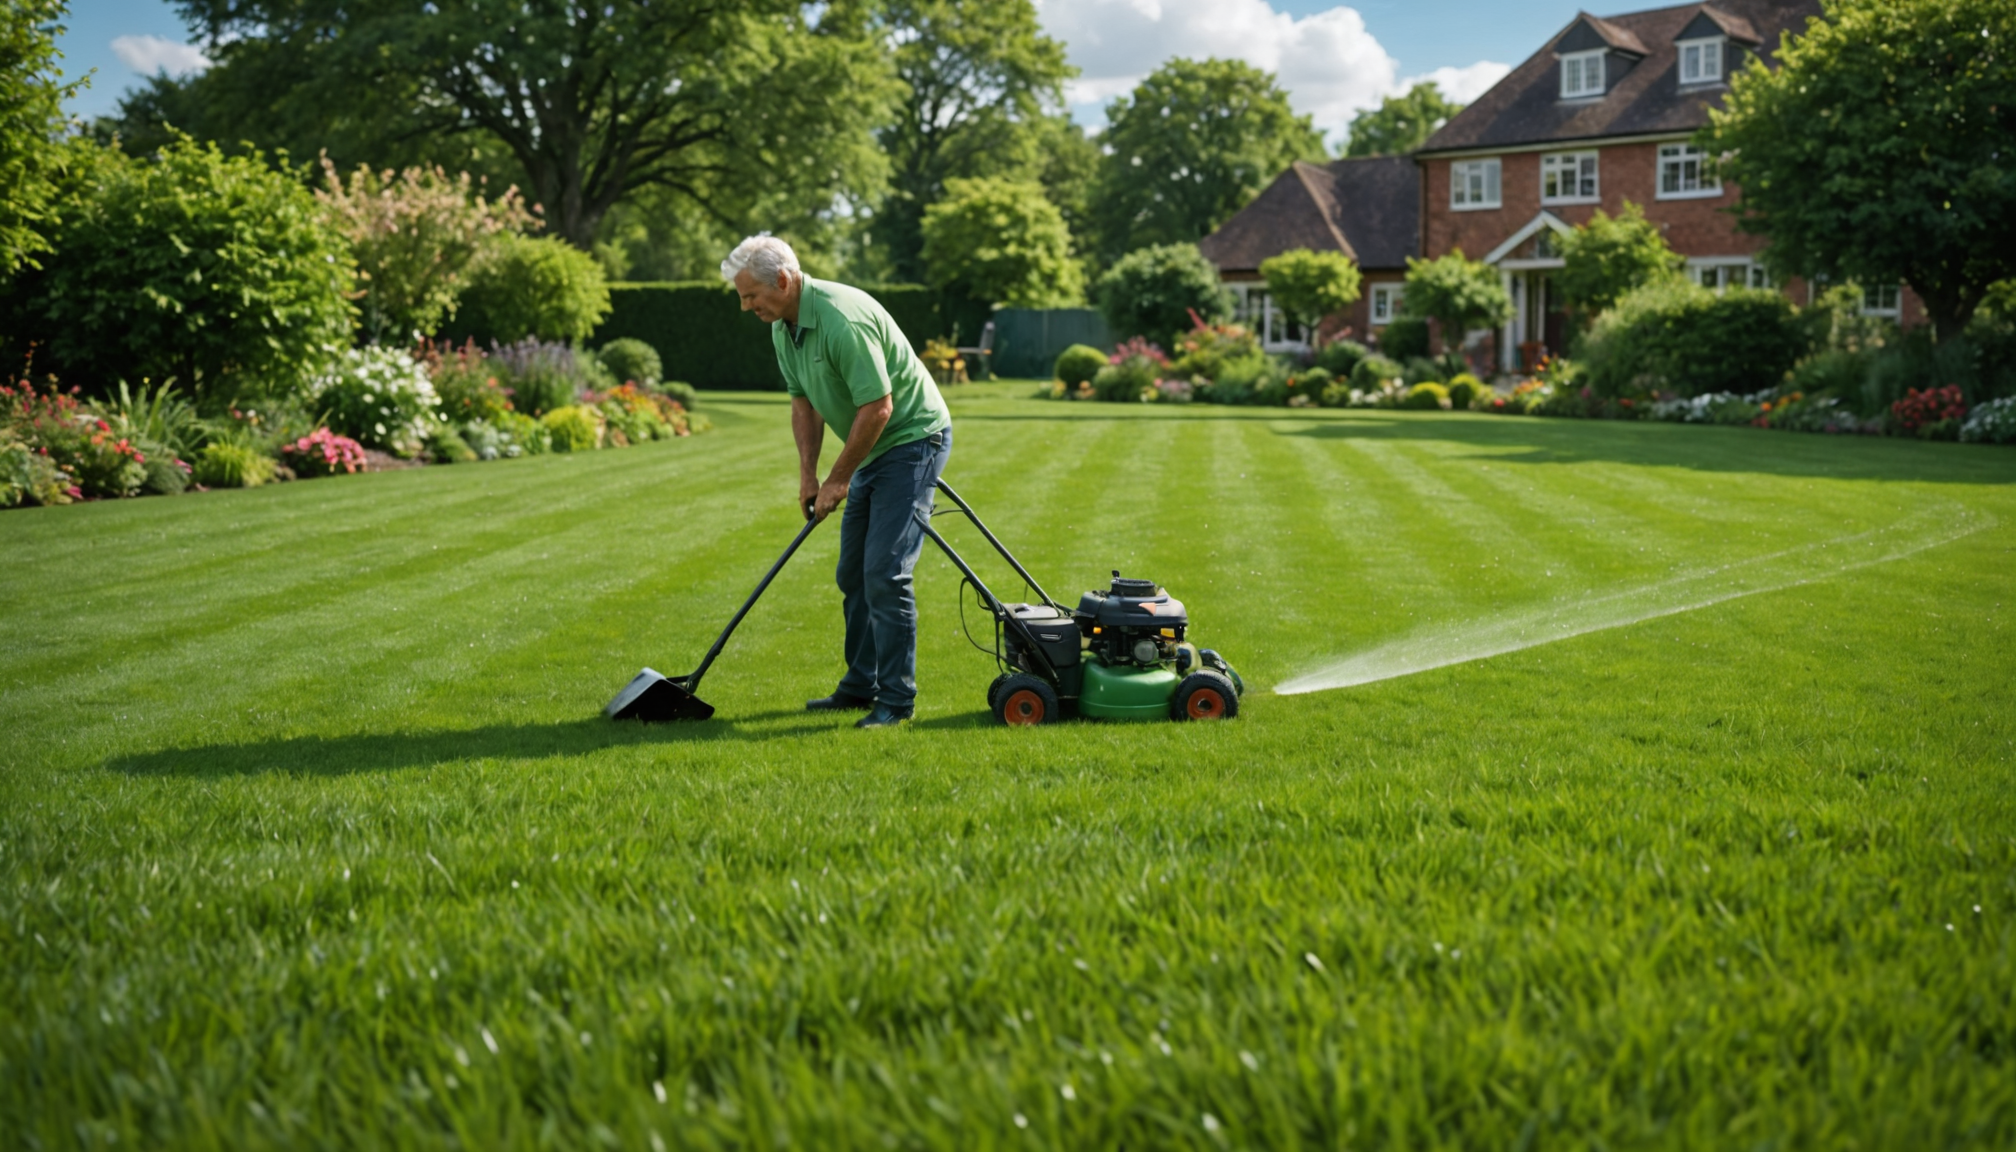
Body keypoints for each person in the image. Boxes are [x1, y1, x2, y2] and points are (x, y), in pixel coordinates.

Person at [722, 235, 952, 729]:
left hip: (911, 439)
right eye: (742, 297)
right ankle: (859, 685)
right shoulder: (784, 327)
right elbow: (803, 401)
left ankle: (896, 700)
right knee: (853, 574)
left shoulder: (840, 317)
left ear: (782, 280)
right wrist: (810, 475)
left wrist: (839, 477)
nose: (746, 307)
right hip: (870, 444)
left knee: (884, 573)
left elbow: (880, 406)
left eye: (751, 296)